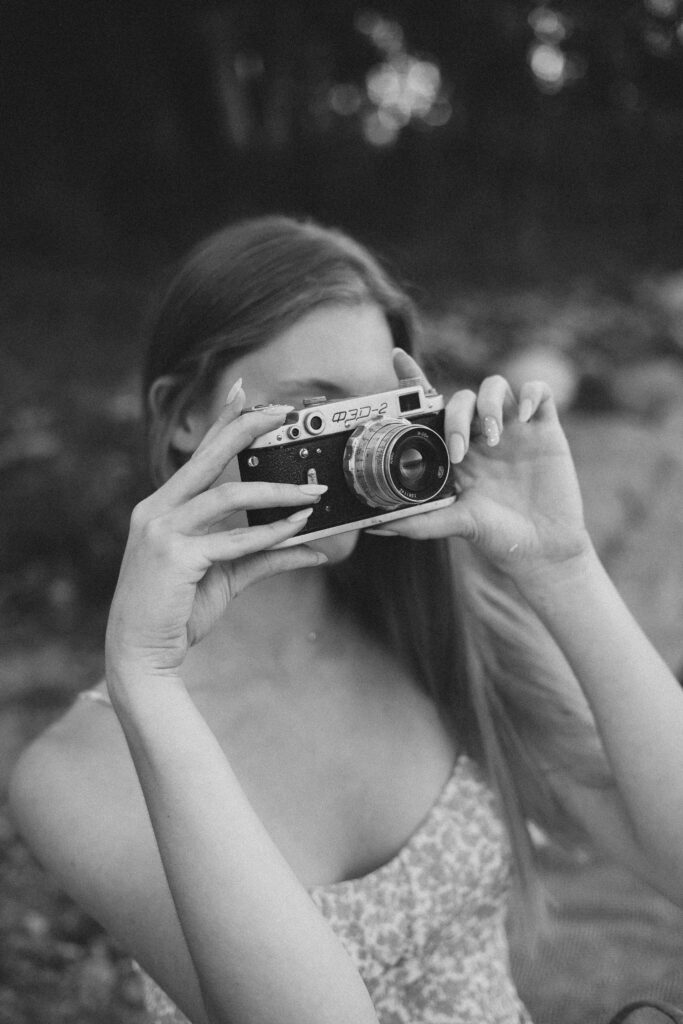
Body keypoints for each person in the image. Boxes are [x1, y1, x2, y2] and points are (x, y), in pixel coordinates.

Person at [8, 215, 683, 1024]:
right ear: (185, 414)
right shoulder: (80, 771)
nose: (364, 446)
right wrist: (147, 683)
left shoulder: (446, 636)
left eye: (379, 410)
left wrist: (561, 565)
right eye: (315, 409)